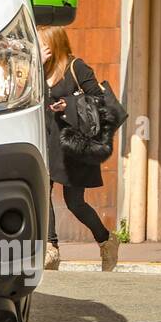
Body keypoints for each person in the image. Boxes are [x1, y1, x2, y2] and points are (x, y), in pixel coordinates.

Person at [38, 25, 119, 272]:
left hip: (72, 143)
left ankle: (106, 240)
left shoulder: (77, 67)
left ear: (53, 44)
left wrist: (69, 104)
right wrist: (37, 64)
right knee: (43, 192)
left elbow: (98, 100)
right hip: (46, 140)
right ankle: (51, 249)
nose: (37, 46)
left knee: (75, 202)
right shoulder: (38, 71)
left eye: (40, 43)